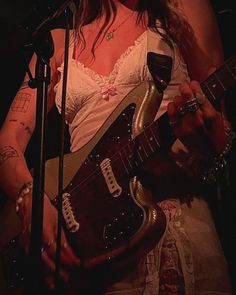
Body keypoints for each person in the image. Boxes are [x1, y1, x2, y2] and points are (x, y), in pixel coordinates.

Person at [0, 0, 234, 294]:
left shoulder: (181, 8)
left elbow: (220, 124)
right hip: (89, 253)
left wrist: (209, 142)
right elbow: (8, 140)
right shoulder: (56, 44)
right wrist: (29, 200)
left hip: (174, 228)